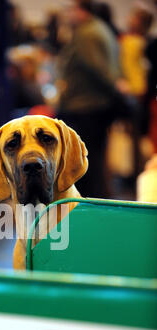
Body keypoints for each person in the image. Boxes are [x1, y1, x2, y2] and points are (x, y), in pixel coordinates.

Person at [57, 0, 122, 198]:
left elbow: (99, 69)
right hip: (92, 105)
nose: (68, 14)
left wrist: (116, 88)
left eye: (70, 10)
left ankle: (86, 203)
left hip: (86, 106)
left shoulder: (88, 33)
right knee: (93, 157)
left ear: (81, 11)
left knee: (84, 159)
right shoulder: (97, 28)